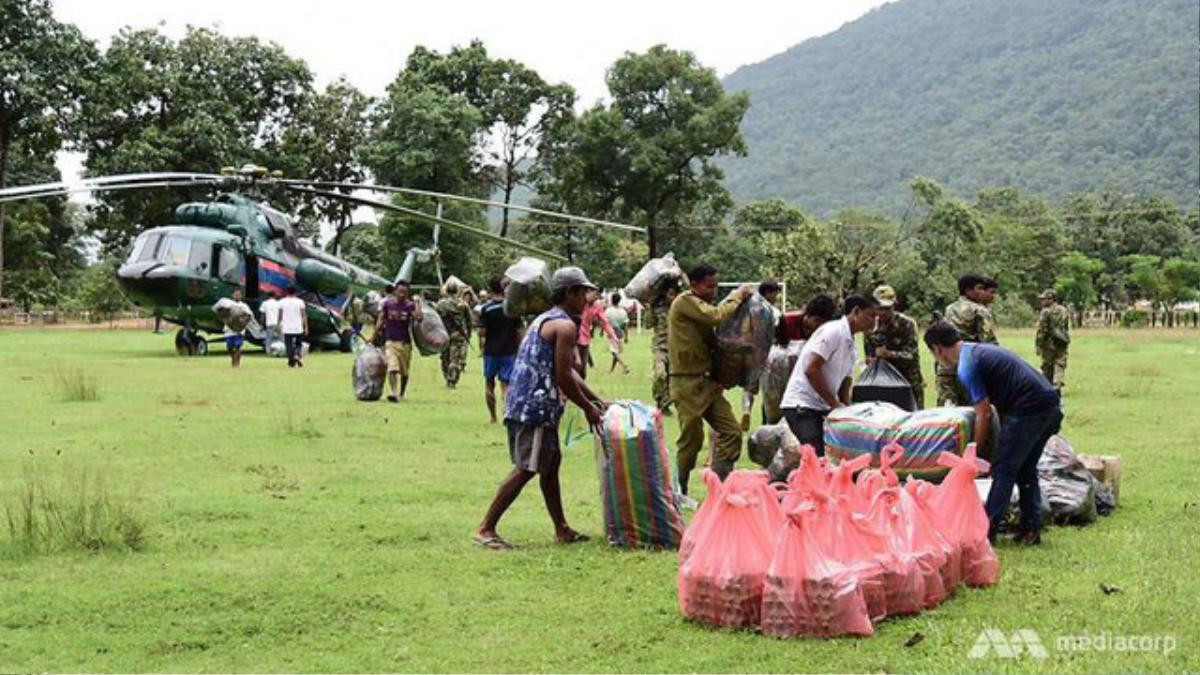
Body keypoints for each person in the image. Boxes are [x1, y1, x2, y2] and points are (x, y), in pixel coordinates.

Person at [474, 267, 608, 550]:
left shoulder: (544, 320)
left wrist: (596, 401)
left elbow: (571, 374)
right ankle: (486, 528)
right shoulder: (565, 326)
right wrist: (587, 408)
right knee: (527, 467)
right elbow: (563, 376)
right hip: (534, 408)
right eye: (583, 292)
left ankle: (561, 528)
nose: (587, 298)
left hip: (528, 404)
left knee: (550, 465)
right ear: (570, 293)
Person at [924, 321, 1063, 545]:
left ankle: (985, 532)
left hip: (1030, 410)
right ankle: (1030, 529)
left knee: (1004, 469)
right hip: (1050, 407)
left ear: (937, 349)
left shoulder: (967, 366)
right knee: (1025, 471)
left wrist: (974, 451)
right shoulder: (979, 350)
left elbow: (984, 413)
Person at [668, 264, 754, 493]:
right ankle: (680, 489)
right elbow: (716, 317)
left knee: (732, 432)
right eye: (709, 286)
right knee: (691, 441)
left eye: (716, 286)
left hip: (707, 382)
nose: (714, 291)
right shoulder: (685, 301)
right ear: (693, 284)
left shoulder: (702, 303)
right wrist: (737, 295)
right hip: (686, 383)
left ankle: (719, 485)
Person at [780, 293, 879, 456]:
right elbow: (811, 369)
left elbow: (846, 378)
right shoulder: (833, 331)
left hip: (821, 406)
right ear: (856, 312)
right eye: (871, 316)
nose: (874, 321)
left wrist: (846, 409)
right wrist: (834, 403)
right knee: (816, 457)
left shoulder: (851, 342)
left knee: (833, 455)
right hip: (802, 405)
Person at [761, 294, 837, 424]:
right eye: (817, 321)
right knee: (774, 405)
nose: (818, 327)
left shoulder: (826, 331)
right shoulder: (785, 322)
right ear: (807, 315)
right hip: (779, 370)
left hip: (802, 375)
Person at [936, 274, 999, 405]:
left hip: (947, 365)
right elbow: (988, 342)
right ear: (968, 290)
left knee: (947, 408)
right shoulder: (980, 310)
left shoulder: (949, 308)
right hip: (969, 364)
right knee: (972, 409)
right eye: (979, 289)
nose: (983, 292)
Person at [864, 285, 925, 409]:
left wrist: (890, 354)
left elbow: (912, 356)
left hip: (908, 382)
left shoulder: (907, 324)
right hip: (882, 384)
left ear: (894, 305)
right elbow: (869, 355)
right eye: (879, 308)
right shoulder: (869, 326)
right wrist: (871, 360)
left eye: (887, 308)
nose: (883, 313)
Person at [739, 279, 786, 431]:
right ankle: (768, 423)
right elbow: (780, 334)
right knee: (769, 392)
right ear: (768, 293)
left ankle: (746, 410)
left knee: (749, 389)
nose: (776, 297)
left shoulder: (748, 310)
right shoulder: (774, 312)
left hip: (751, 353)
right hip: (769, 355)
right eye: (775, 293)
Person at [478, 276, 522, 424]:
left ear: (490, 290)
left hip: (491, 351)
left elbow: (482, 332)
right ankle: (507, 412)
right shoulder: (511, 308)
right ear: (503, 289)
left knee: (489, 383)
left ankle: (492, 417)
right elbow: (519, 331)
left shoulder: (486, 309)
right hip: (509, 350)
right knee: (506, 384)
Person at [374, 281, 422, 402]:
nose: (402, 294)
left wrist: (417, 302)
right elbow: (380, 320)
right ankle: (394, 392)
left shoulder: (410, 305)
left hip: (405, 342)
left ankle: (401, 392)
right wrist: (374, 335)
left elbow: (419, 317)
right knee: (392, 367)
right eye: (400, 291)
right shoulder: (387, 305)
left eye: (405, 292)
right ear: (395, 291)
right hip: (390, 341)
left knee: (404, 372)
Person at [435, 279, 473, 389]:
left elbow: (435, 319)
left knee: (444, 357)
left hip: (444, 334)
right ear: (457, 291)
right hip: (458, 334)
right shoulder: (463, 304)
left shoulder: (440, 304)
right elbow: (469, 321)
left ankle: (447, 376)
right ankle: (452, 380)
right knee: (455, 359)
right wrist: (468, 333)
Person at [648, 283, 680, 414]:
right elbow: (648, 324)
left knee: (673, 378)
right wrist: (649, 308)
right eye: (669, 294)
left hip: (676, 347)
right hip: (660, 346)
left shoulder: (680, 308)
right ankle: (659, 398)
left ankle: (665, 404)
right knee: (660, 375)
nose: (672, 297)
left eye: (674, 294)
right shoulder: (657, 309)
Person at [576, 289, 620, 379]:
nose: (596, 298)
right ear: (587, 292)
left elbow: (605, 322)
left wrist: (614, 336)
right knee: (573, 367)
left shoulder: (597, 306)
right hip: (572, 339)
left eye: (598, 295)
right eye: (595, 294)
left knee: (582, 373)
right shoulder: (577, 302)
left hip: (584, 340)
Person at [1036, 289, 1071, 393]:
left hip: (1048, 343)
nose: (1042, 301)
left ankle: (1047, 386)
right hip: (1062, 341)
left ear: (1051, 299)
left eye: (1044, 299)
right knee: (1060, 363)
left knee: (1047, 365)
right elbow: (1066, 327)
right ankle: (1057, 384)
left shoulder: (1045, 311)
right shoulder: (1064, 310)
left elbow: (1042, 330)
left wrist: (1039, 345)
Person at [276, 287, 308, 368]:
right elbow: (303, 315)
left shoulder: (282, 302)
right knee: (298, 344)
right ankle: (296, 356)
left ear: (287, 291)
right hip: (298, 327)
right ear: (295, 292)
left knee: (288, 345)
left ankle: (291, 361)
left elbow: (280, 314)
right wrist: (306, 327)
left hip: (287, 327)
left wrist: (278, 324)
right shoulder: (300, 302)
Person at [604, 293, 632, 374]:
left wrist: (603, 331)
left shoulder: (608, 311)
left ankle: (624, 365)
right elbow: (626, 325)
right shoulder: (623, 311)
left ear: (612, 300)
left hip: (612, 332)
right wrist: (627, 336)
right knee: (616, 351)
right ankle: (611, 370)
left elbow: (605, 322)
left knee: (614, 352)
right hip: (620, 332)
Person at [223, 289, 251, 368]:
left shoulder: (244, 306)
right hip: (229, 330)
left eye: (238, 295)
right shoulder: (228, 304)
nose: (237, 296)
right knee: (230, 347)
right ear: (232, 295)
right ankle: (233, 358)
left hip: (239, 330)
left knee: (237, 346)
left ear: (241, 296)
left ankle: (236, 362)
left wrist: (243, 321)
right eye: (235, 294)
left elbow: (249, 315)